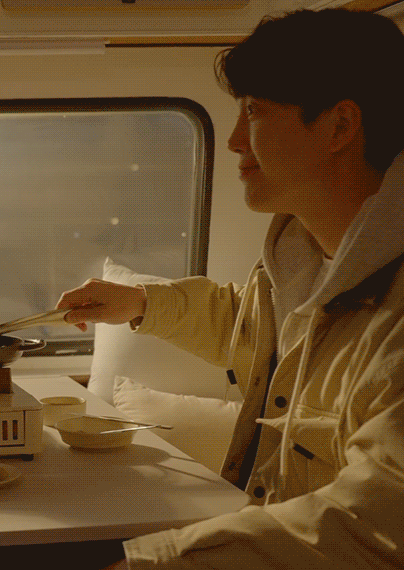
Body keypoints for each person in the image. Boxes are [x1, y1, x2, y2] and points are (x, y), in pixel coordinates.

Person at [55, 9, 404, 570]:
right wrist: (138, 303)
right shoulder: (304, 260)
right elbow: (247, 323)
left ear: (340, 127)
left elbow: (367, 526)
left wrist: (152, 561)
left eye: (256, 112)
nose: (237, 140)